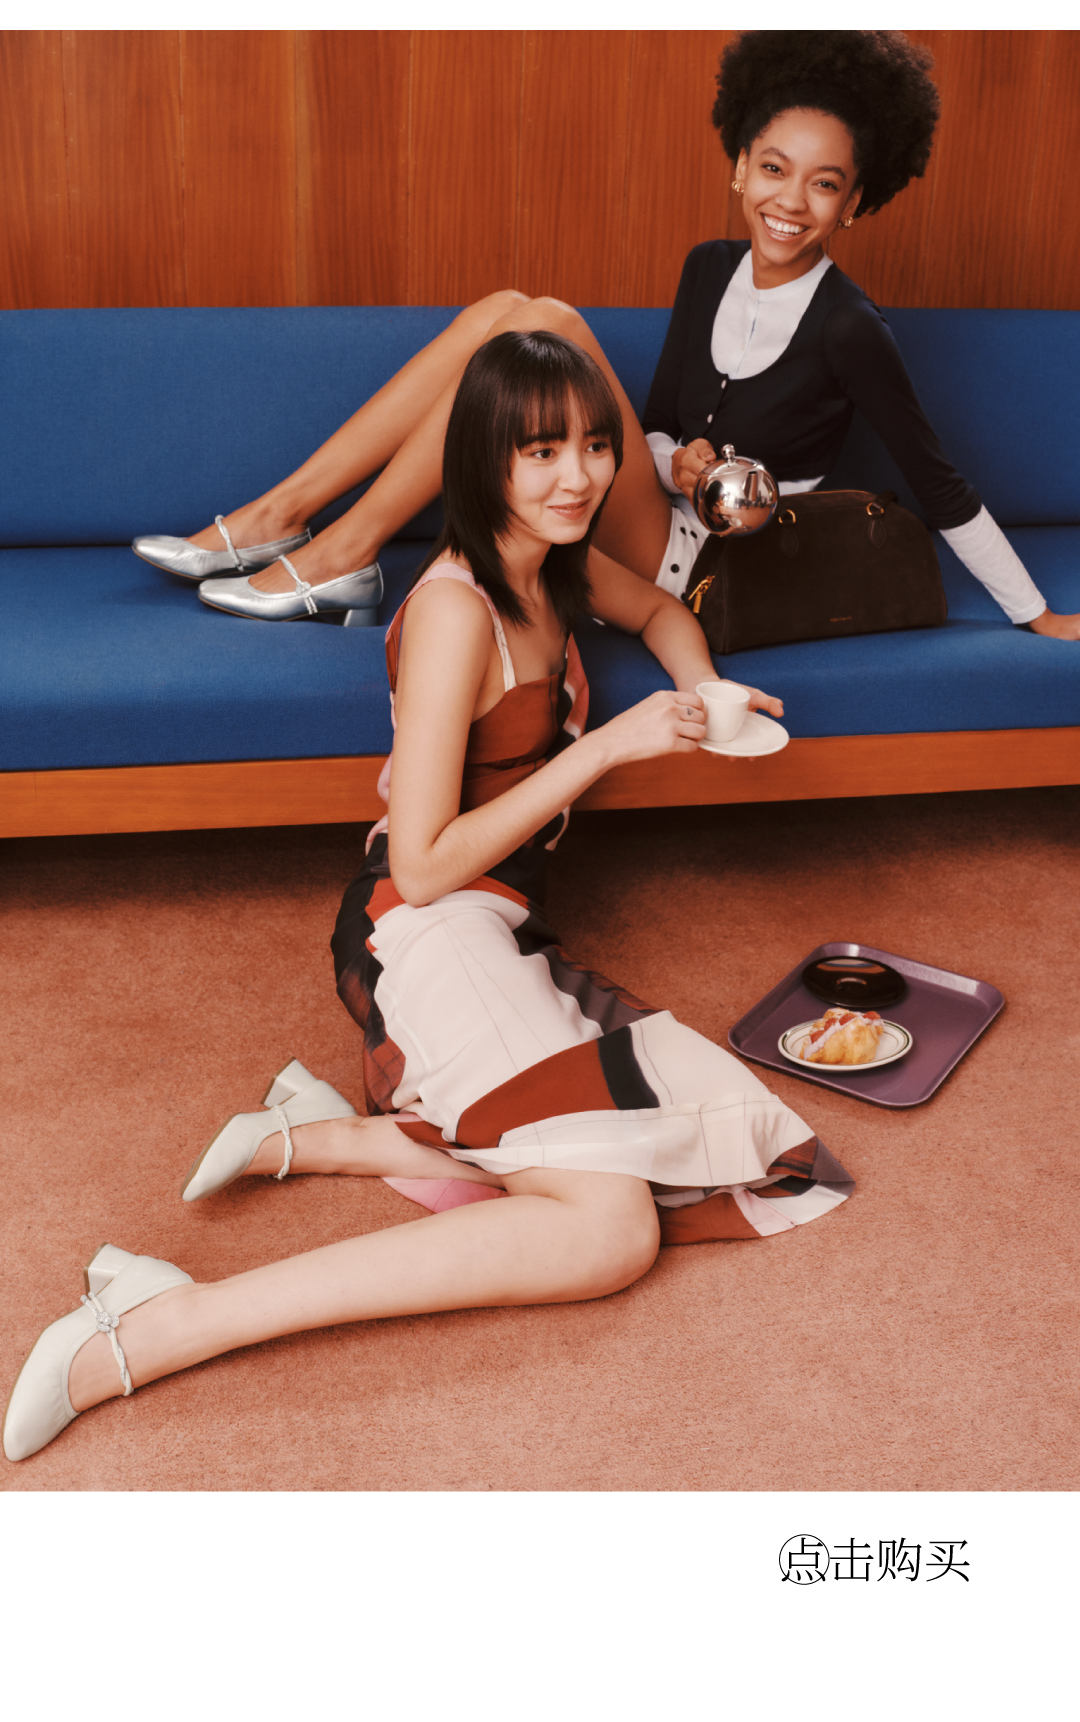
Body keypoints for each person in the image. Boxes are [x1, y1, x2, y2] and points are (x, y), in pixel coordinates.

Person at [4, 332, 853, 1464]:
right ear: (484, 460)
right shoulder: (457, 609)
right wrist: (605, 749)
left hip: (497, 926)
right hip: (420, 925)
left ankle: (325, 1138)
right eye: (541, 452)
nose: (579, 476)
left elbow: (661, 614)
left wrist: (704, 697)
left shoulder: (553, 560)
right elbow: (422, 865)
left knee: (732, 1142)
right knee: (611, 1228)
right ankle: (163, 1318)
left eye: (595, 446)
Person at [133, 30, 1076, 640]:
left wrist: (1036, 617)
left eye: (824, 184)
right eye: (774, 169)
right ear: (738, 167)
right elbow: (658, 423)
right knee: (506, 309)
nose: (791, 201)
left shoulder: (851, 328)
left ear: (856, 203)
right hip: (652, 511)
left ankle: (340, 553)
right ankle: (283, 516)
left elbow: (939, 483)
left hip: (713, 567)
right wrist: (676, 461)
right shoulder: (708, 268)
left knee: (541, 321)